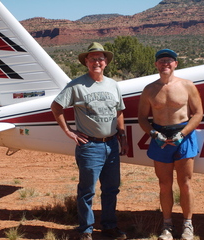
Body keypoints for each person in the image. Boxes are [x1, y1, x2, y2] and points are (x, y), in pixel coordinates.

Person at [51, 42, 128, 240]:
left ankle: (109, 226)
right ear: (86, 61)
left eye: (100, 58)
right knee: (87, 191)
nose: (97, 62)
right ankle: (86, 229)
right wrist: (68, 131)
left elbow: (119, 112)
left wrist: (123, 137)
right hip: (90, 146)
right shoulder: (76, 85)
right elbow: (56, 107)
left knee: (111, 189)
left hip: (111, 143)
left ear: (106, 62)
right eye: (92, 58)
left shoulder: (113, 85)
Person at [138, 49, 203, 240]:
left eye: (169, 60)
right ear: (156, 65)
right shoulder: (149, 89)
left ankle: (187, 225)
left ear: (175, 64)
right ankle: (167, 226)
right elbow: (142, 117)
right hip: (160, 137)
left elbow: (198, 113)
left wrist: (182, 134)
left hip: (183, 136)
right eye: (161, 61)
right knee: (164, 184)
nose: (165, 63)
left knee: (185, 183)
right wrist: (153, 133)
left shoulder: (187, 86)